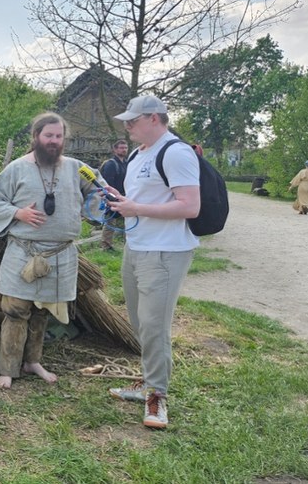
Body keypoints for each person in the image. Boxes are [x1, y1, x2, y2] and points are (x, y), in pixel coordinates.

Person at [103, 96, 200, 429]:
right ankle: (146, 383)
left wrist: (137, 209)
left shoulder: (176, 152)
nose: (127, 125)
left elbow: (190, 206)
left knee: (155, 325)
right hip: (137, 247)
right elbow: (143, 199)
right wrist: (122, 201)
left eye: (133, 120)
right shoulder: (137, 153)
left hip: (165, 252)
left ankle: (157, 396)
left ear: (156, 119)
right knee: (141, 322)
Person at [0, 112, 102, 387]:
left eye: (58, 136)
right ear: (36, 136)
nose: (53, 141)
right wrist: (19, 213)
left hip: (60, 254)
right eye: (48, 135)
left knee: (42, 312)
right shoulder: (16, 168)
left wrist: (99, 205)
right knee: (15, 309)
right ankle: (8, 369)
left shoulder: (77, 168)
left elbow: (100, 189)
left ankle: (32, 362)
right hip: (24, 251)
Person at [98, 140, 129, 251]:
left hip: (125, 196)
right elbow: (107, 183)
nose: (124, 150)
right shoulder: (111, 164)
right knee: (110, 221)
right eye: (121, 148)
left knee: (129, 221)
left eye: (125, 147)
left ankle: (128, 244)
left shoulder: (127, 164)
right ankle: (106, 245)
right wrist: (111, 197)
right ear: (115, 150)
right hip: (112, 197)